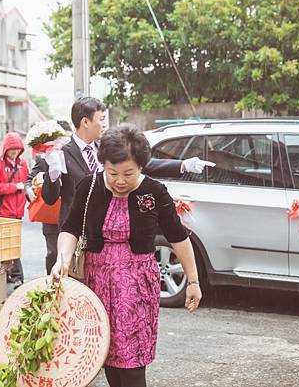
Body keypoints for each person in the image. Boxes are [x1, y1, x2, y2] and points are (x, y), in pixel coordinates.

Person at [52, 124, 202, 387]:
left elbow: (178, 236)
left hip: (136, 287)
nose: (120, 181)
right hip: (97, 285)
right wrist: (62, 259)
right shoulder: (89, 187)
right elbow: (70, 228)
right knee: (106, 355)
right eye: (112, 173)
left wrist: (193, 281)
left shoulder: (154, 192)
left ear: (142, 167)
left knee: (132, 362)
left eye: (128, 173)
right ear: (104, 166)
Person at [42, 97, 214, 227]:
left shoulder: (106, 146)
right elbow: (49, 199)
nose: (104, 124)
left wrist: (184, 165)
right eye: (101, 119)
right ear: (85, 122)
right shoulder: (61, 153)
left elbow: (141, 164)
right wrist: (53, 174)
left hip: (109, 226)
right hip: (77, 229)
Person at [25, 120, 73, 275]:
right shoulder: (44, 158)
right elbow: (29, 179)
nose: (63, 144)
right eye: (61, 140)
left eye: (67, 140)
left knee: (71, 257)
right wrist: (28, 190)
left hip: (70, 215)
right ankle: (50, 284)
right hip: (51, 216)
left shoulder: (75, 157)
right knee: (53, 253)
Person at [0, 132, 30, 285]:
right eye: (12, 150)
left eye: (18, 150)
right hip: (3, 212)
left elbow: (27, 183)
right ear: (5, 149)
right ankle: (14, 277)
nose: (15, 153)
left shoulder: (23, 164)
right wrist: (14, 187)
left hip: (17, 213)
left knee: (12, 245)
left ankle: (12, 277)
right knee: (6, 246)